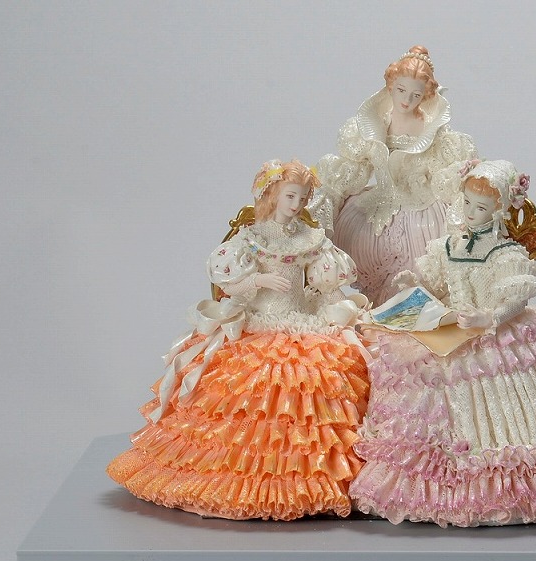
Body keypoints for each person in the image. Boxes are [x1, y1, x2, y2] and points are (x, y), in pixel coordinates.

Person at [349, 160, 536, 527]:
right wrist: (416, 285)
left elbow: (517, 299)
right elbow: (437, 284)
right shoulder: (449, 245)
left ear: (498, 210)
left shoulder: (505, 253)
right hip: (456, 325)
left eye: (481, 207)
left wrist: (489, 318)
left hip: (495, 330)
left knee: (491, 377)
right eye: (467, 203)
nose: (471, 213)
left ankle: (510, 483)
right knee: (414, 363)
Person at [107, 160, 370, 521]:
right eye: (290, 196)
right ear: (272, 195)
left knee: (324, 377)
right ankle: (250, 480)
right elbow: (231, 286)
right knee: (254, 387)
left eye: (302, 197)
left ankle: (325, 477)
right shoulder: (252, 237)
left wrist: (343, 310)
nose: (296, 205)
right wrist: (259, 281)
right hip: (261, 320)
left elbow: (326, 287)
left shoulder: (310, 239)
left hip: (301, 319)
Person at [310, 46, 478, 305]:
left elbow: (441, 176)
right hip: (378, 205)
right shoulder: (374, 123)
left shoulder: (432, 130)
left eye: (415, 95)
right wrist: (333, 193)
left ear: (426, 95)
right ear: (390, 85)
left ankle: (410, 312)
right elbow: (356, 169)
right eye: (401, 90)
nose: (406, 100)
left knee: (422, 255)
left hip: (420, 208)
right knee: (363, 244)